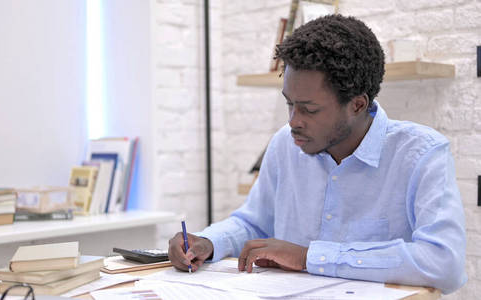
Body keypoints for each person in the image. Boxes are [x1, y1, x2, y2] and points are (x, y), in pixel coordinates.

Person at [168, 14, 467, 294]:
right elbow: (254, 223)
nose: (293, 121)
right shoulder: (285, 144)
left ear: (358, 105)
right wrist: (209, 242)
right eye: (289, 104)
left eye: (309, 109)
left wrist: (310, 257)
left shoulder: (421, 154)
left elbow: (444, 262)